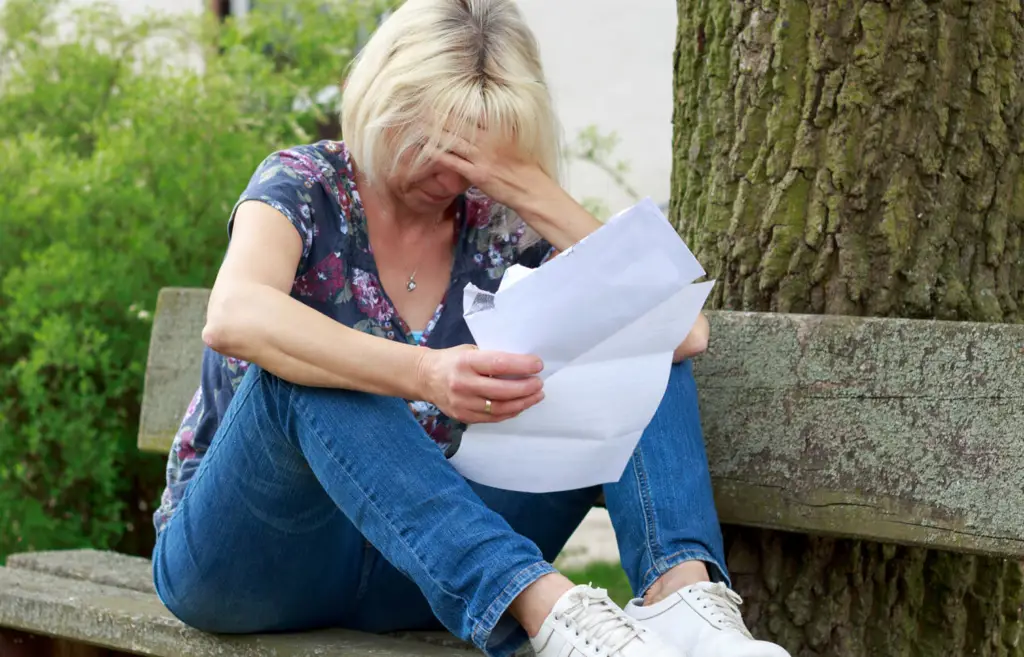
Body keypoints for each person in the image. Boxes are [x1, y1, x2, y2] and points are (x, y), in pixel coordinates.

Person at [151, 2, 790, 656]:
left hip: (427, 569)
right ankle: (552, 612)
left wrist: (528, 186)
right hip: (256, 561)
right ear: (383, 102)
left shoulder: (497, 223)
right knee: (301, 367)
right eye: (431, 139)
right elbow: (234, 315)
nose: (449, 171)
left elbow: (684, 330)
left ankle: (678, 602)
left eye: (471, 148)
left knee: (635, 326)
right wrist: (425, 374)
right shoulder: (303, 183)